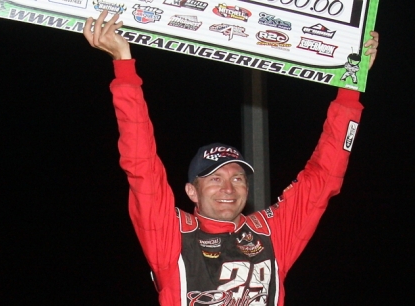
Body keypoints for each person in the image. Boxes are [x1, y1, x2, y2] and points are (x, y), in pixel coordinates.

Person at [83, 10, 379, 306]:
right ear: (191, 191)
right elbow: (141, 164)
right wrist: (123, 65)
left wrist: (350, 87)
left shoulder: (270, 234)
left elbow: (324, 176)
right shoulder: (171, 235)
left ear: (247, 189)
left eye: (238, 178)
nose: (229, 188)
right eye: (215, 178)